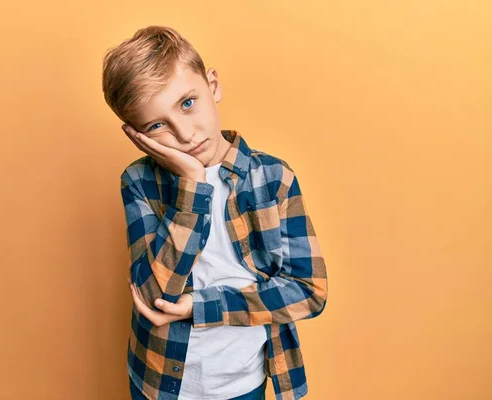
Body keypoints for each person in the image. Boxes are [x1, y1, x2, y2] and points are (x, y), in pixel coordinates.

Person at [102, 25, 328, 400]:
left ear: (213, 85)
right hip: (157, 381)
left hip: (241, 383)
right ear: (136, 135)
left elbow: (309, 291)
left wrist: (201, 307)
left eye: (188, 103)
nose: (186, 135)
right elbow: (152, 293)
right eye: (157, 126)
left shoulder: (273, 178)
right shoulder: (139, 181)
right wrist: (192, 187)